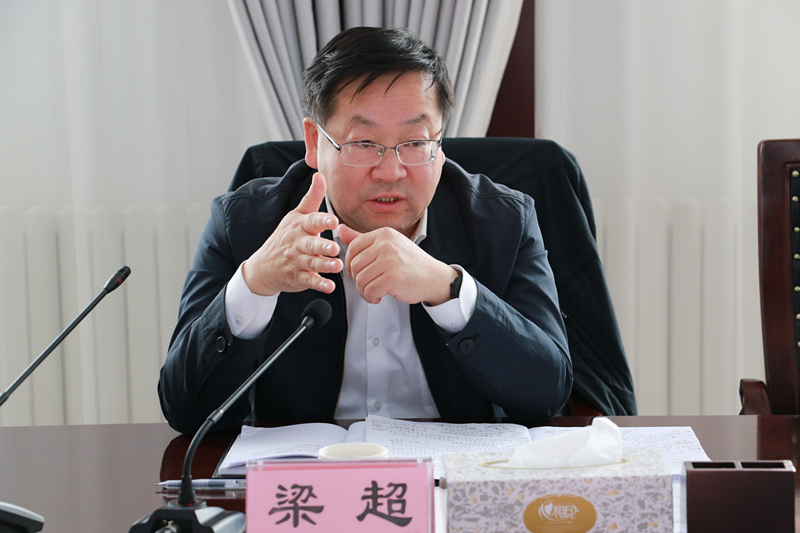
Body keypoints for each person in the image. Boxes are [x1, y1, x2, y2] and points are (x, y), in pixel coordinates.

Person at [159, 27, 572, 436]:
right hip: (307, 472)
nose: (390, 171)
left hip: (451, 470)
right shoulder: (245, 224)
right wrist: (255, 284)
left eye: (415, 142)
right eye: (363, 143)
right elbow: (186, 411)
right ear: (314, 142)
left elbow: (548, 394)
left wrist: (448, 289)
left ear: (440, 144)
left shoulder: (503, 221)